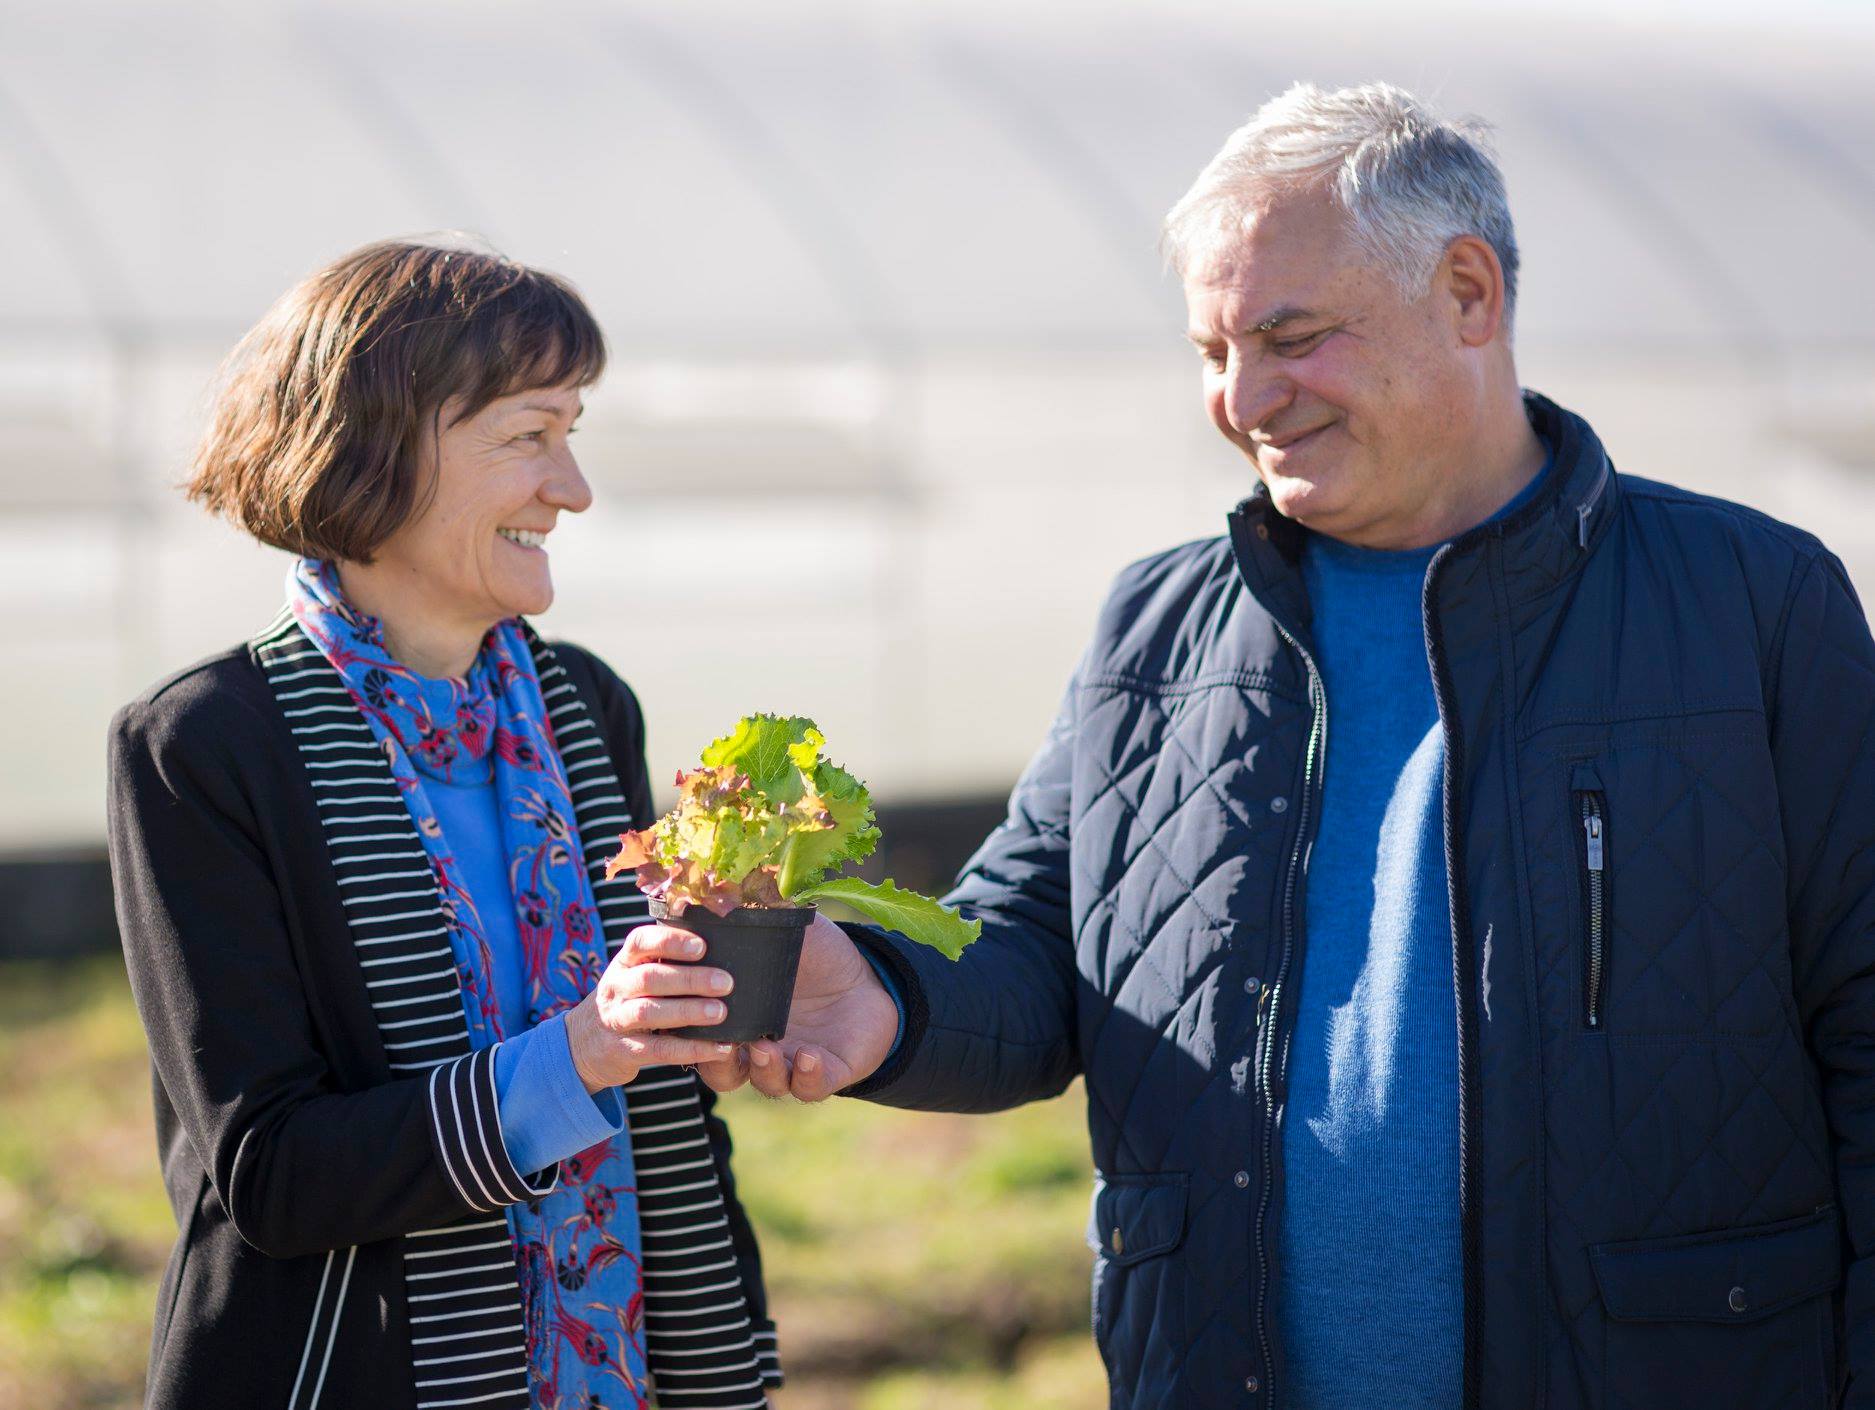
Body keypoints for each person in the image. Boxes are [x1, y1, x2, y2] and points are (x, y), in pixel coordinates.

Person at [695, 84, 1875, 1407]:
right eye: (1211, 351)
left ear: (1468, 294)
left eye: (1290, 338)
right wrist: (885, 999)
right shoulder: (1157, 625)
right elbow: (1031, 942)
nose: (1241, 398)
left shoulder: (1746, 602)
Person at [107, 240, 782, 1410]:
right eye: (529, 436)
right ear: (372, 444)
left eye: (572, 433)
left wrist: (716, 1021)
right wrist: (583, 1052)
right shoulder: (204, 746)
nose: (572, 489)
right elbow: (270, 1175)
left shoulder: (583, 709)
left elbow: (659, 1109)